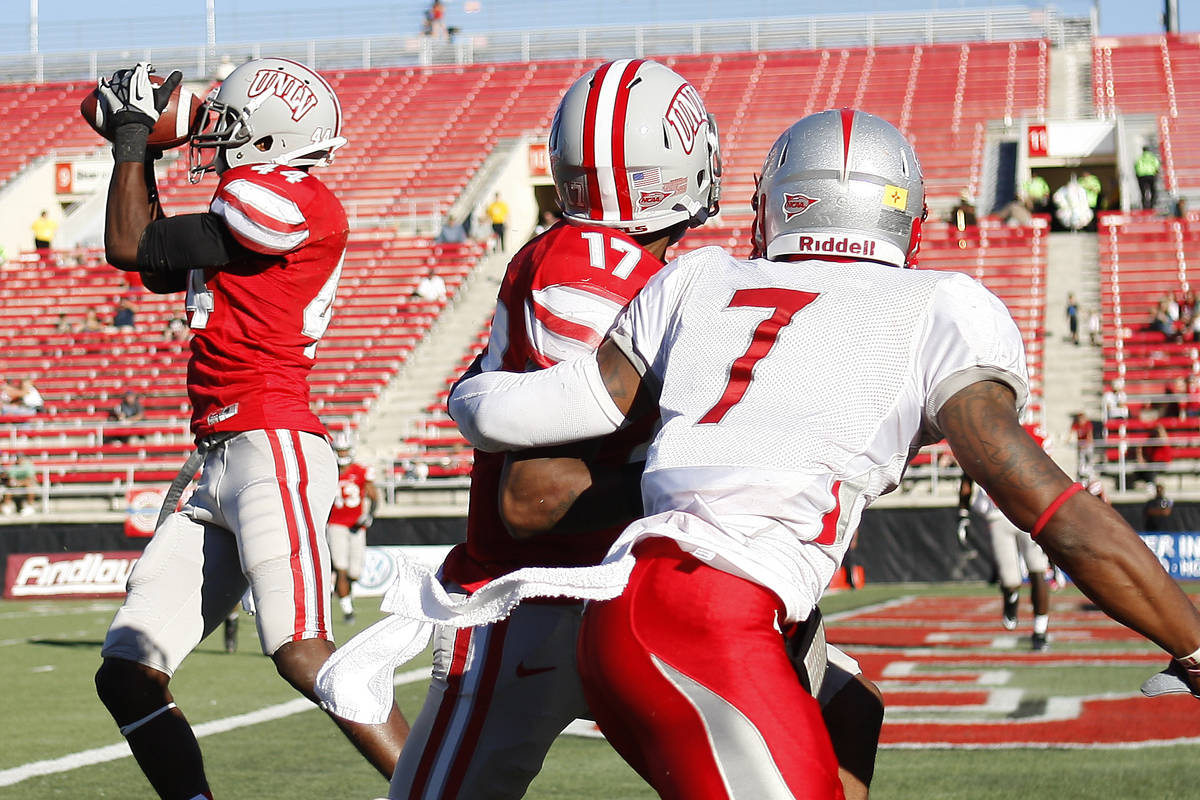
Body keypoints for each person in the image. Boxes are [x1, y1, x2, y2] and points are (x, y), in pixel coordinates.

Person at [446, 109, 1200, 796]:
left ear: (772, 205)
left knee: (848, 712)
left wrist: (469, 393)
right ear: (908, 220)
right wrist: (1190, 641)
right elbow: (1053, 509)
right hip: (708, 622)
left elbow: (529, 410)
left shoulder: (698, 276)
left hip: (639, 607)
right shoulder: (941, 306)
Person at [318, 66, 881, 800]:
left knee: (846, 712)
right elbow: (534, 497)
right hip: (537, 596)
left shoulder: (654, 270)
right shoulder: (588, 261)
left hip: (636, 586)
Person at [89, 59, 408, 800]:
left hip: (273, 443)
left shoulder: (296, 199)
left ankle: (447, 786)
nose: (217, 143)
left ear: (272, 136)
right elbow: (145, 251)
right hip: (218, 457)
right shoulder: (251, 210)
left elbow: (136, 245)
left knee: (301, 649)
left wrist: (137, 132)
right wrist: (132, 144)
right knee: (128, 672)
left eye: (230, 129)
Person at [959, 474, 1051, 650]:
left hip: (1029, 510)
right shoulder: (981, 447)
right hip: (998, 514)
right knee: (1010, 581)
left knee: (1038, 569)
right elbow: (967, 475)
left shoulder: (1035, 445)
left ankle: (1040, 631)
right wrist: (962, 513)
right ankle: (1011, 596)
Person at [326, 432, 379, 624]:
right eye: (339, 451)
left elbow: (374, 496)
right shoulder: (327, 472)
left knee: (354, 572)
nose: (341, 454)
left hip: (356, 525)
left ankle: (345, 593)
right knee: (341, 567)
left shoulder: (361, 471)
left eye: (344, 450)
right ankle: (348, 610)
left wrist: (369, 516)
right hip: (336, 524)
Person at [1135, 145, 1161, 211]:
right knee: (1153, 191)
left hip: (1141, 176)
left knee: (1143, 192)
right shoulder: (1153, 158)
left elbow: (1136, 167)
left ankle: (1145, 207)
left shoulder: (1139, 158)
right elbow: (1157, 166)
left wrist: (1138, 175)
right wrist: (1156, 174)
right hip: (1151, 175)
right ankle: (1152, 205)